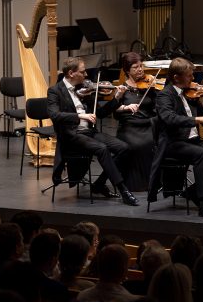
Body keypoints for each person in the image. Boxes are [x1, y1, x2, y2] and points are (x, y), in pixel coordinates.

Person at [147, 56, 203, 219]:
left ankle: (193, 191)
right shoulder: (164, 96)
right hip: (173, 143)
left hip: (193, 141)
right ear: (176, 77)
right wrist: (197, 120)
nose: (193, 79)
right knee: (200, 154)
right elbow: (170, 118)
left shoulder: (191, 94)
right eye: (189, 75)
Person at [47, 56, 138, 206]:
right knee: (102, 149)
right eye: (83, 72)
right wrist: (80, 115)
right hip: (71, 135)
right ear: (71, 73)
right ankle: (123, 190)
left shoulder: (84, 89)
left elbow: (100, 113)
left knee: (124, 148)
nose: (86, 75)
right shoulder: (55, 91)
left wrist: (116, 98)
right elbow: (55, 115)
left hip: (89, 132)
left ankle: (99, 184)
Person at [100, 51, 157, 191]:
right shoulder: (122, 89)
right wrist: (124, 106)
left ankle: (153, 183)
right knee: (136, 144)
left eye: (141, 66)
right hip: (129, 127)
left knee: (153, 142)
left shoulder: (149, 86)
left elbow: (157, 107)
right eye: (135, 67)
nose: (140, 70)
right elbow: (114, 112)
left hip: (147, 125)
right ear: (127, 70)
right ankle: (132, 183)